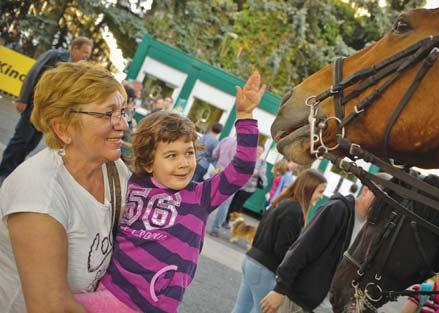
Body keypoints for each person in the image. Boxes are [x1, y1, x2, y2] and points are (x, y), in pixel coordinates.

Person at [74, 71, 266, 313]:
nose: (184, 162)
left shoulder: (201, 196)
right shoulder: (132, 183)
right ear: (147, 162)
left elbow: (242, 168)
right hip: (107, 288)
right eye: (171, 156)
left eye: (188, 152)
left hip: (149, 305)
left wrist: (246, 116)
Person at [0, 62, 131, 312]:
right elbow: (50, 307)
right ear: (63, 128)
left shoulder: (114, 170)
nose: (122, 124)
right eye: (107, 114)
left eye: (123, 112)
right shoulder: (39, 194)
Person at [259, 183, 379, 313]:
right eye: (380, 197)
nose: (382, 205)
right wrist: (280, 289)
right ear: (366, 190)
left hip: (328, 306)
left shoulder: (372, 228)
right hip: (300, 300)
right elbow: (302, 248)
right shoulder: (338, 209)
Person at [231, 169, 327, 313]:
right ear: (308, 188)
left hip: (251, 261)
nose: (321, 196)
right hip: (265, 269)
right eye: (320, 191)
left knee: (240, 309)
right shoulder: (294, 211)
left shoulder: (283, 202)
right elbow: (283, 249)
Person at [0, 36, 93, 184]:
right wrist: (23, 98)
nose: (86, 56)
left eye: (88, 54)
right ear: (74, 48)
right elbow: (32, 75)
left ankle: (13, 172)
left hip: (49, 113)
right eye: (85, 52)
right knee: (21, 139)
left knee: (31, 143)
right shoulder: (54, 56)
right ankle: (4, 172)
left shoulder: (78, 71)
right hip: (34, 105)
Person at [223, 144, 268, 228]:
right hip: (238, 185)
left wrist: (255, 172)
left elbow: (261, 174)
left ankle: (234, 224)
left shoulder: (262, 163)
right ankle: (227, 221)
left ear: (262, 153)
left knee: (238, 206)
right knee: (232, 203)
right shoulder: (248, 158)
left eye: (260, 151)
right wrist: (253, 171)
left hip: (250, 189)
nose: (258, 152)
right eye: (257, 150)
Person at [207, 134, 238, 236]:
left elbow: (214, 154)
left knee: (208, 198)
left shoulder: (226, 139)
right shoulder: (242, 146)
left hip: (218, 172)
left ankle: (195, 221)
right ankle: (215, 229)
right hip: (231, 178)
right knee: (224, 204)